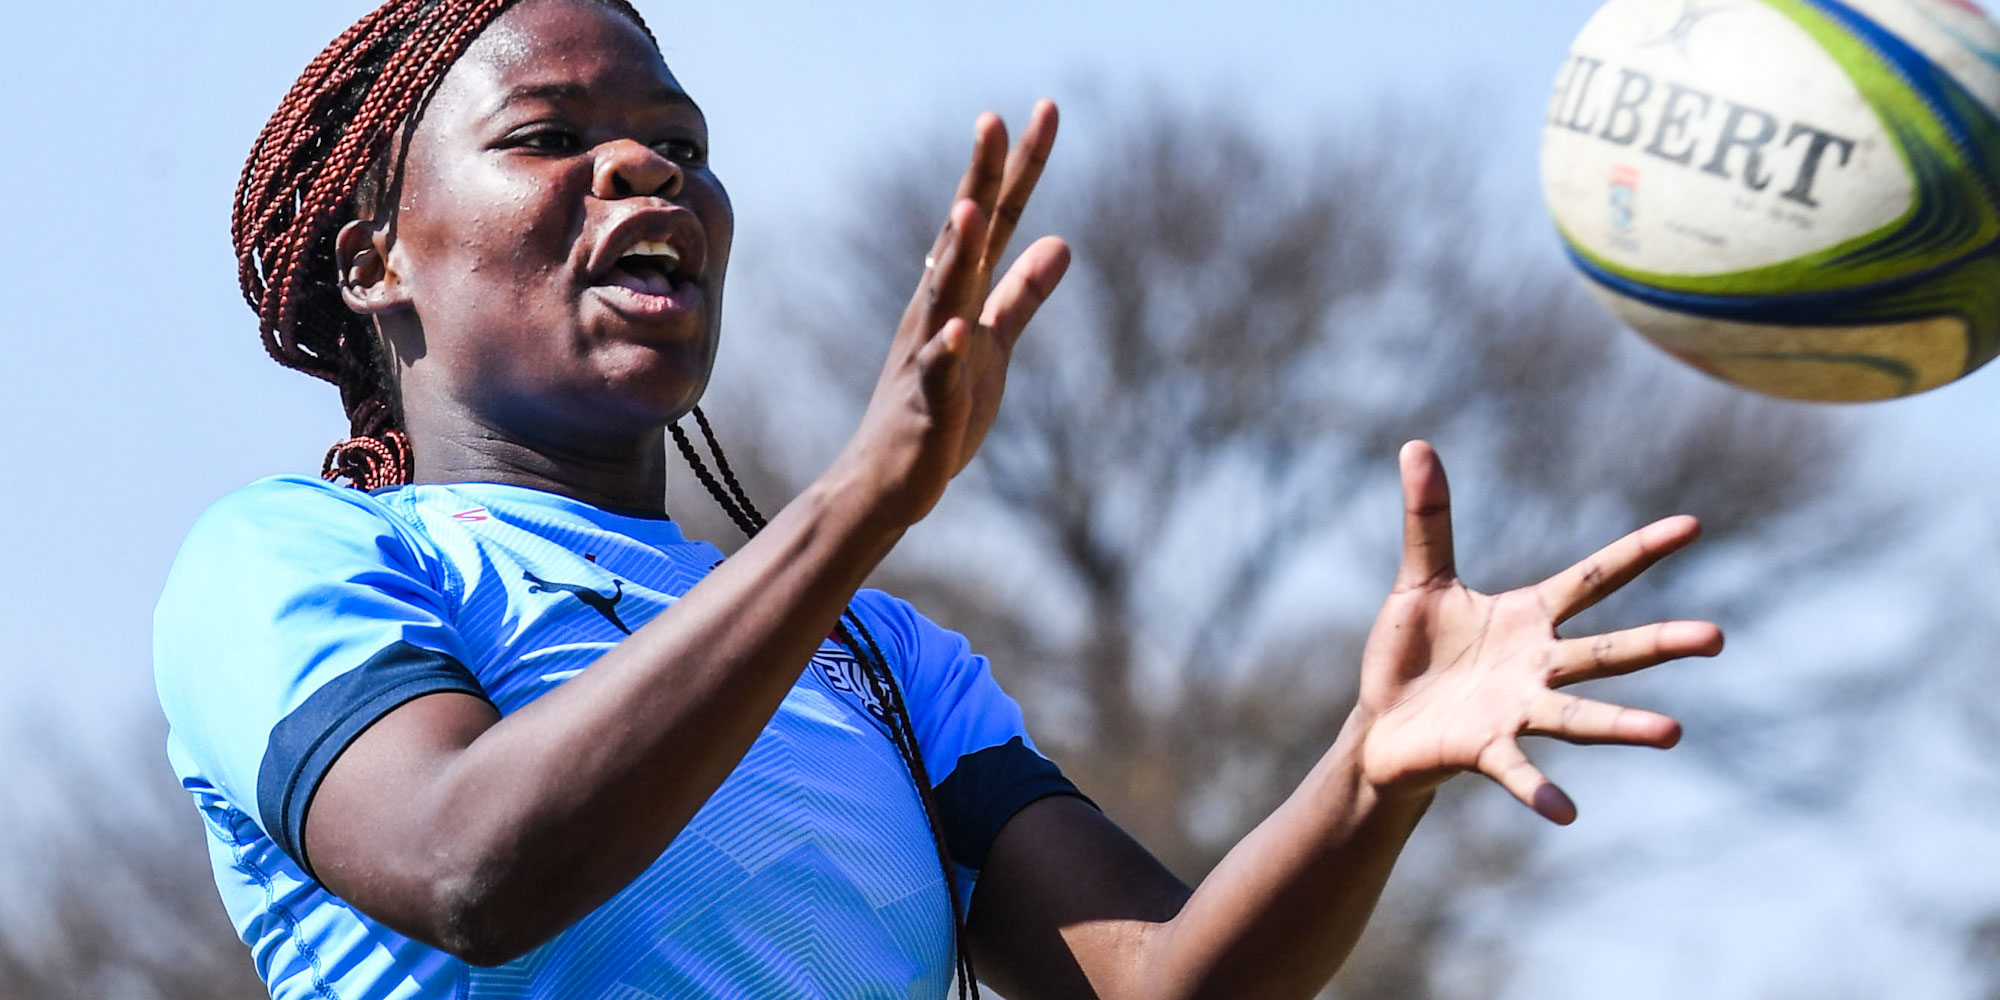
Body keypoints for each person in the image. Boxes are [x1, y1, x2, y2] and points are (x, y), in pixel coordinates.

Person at [153, 1, 1725, 997]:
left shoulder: (882, 657)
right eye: (551, 137)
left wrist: (1368, 777)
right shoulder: (293, 560)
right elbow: (468, 871)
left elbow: (1158, 984)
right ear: (375, 260)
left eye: (679, 144)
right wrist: (857, 502)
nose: (646, 171)